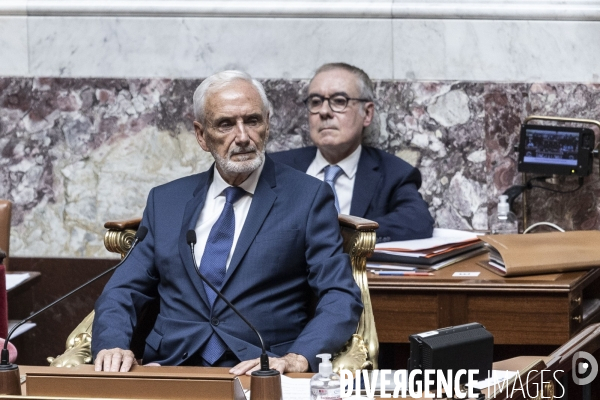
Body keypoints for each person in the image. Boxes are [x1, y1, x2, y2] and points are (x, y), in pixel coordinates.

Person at [91, 71, 362, 375]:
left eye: (253, 121)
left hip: (261, 371)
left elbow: (340, 295)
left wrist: (298, 358)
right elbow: (122, 290)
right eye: (225, 124)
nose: (243, 136)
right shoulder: (166, 201)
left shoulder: (307, 198)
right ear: (201, 135)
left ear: (268, 124)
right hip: (172, 369)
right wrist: (112, 344)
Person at [270, 63, 434, 242]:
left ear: (367, 113)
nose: (324, 112)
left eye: (339, 101)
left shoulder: (394, 174)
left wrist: (343, 233)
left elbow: (417, 221)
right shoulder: (275, 167)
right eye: (316, 102)